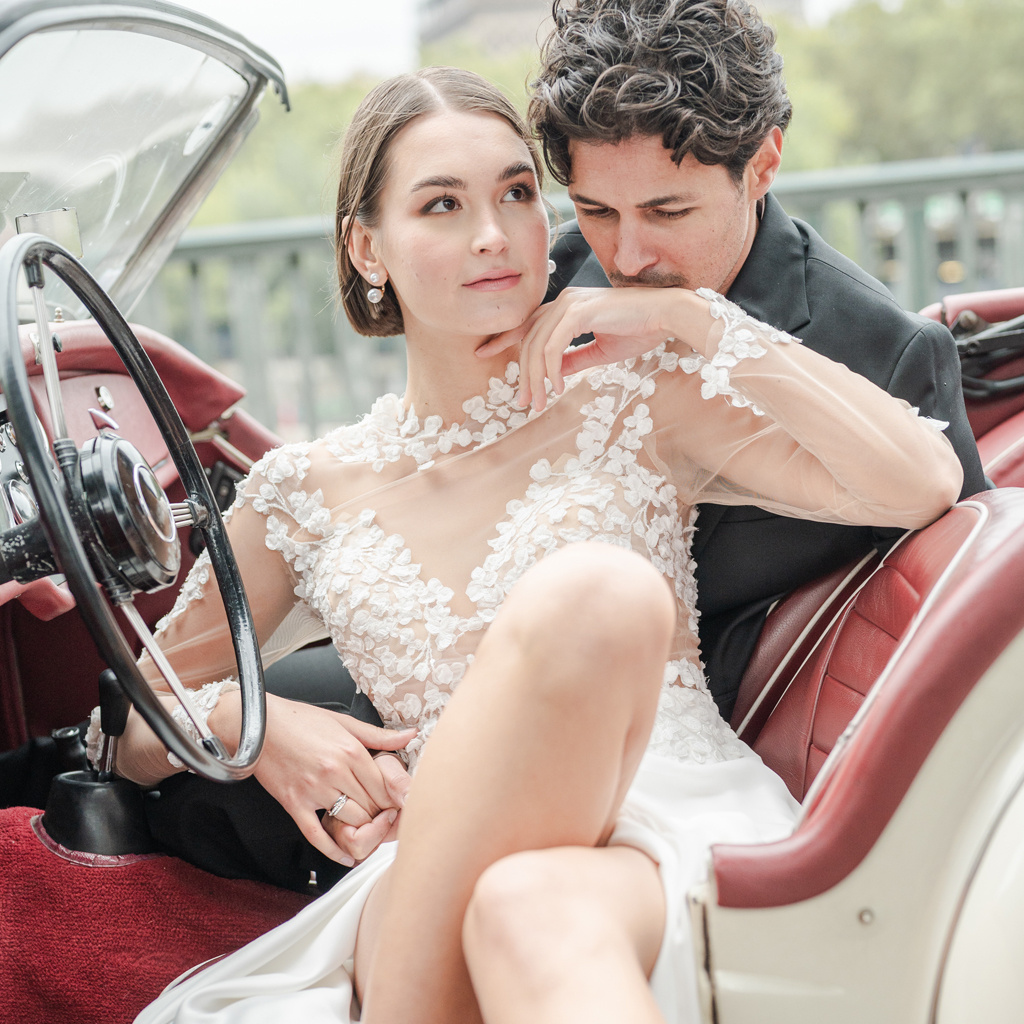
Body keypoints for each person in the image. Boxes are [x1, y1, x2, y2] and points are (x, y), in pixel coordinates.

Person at [117, 62, 962, 1024]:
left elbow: (922, 481)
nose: (494, 234)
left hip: (665, 828)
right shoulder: (301, 494)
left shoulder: (638, 401)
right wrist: (260, 727)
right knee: (514, 893)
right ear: (366, 247)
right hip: (436, 869)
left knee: (593, 617)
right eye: (442, 204)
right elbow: (133, 727)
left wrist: (692, 319)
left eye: (517, 193)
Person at [531, 0, 987, 721]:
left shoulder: (887, 353)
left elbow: (976, 611)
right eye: (596, 210)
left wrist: (695, 321)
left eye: (668, 212)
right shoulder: (557, 271)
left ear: (763, 164)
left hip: (724, 726)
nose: (626, 257)